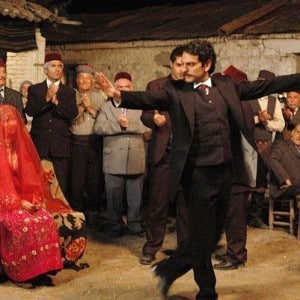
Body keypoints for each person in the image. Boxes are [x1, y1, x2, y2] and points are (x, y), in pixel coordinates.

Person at [94, 40, 300, 299]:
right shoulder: (176, 90)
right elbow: (150, 97)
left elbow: (266, 86)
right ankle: (207, 291)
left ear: (207, 65)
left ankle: (169, 269)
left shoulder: (226, 85)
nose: (184, 68)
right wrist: (118, 95)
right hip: (197, 174)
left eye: (191, 64)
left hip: (227, 171)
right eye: (183, 63)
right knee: (202, 234)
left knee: (212, 236)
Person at [0, 104, 63, 289]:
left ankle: (42, 271)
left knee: (44, 219)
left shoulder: (20, 150)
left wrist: (34, 199)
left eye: (12, 119)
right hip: (5, 203)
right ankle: (21, 274)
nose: (10, 124)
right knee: (22, 224)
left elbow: (31, 180)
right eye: (4, 121)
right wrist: (18, 203)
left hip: (22, 201)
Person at [139, 45, 189, 265]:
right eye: (179, 65)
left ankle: (185, 251)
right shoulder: (156, 86)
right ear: (171, 64)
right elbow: (145, 115)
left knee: (185, 207)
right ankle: (151, 248)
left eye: (187, 65)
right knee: (157, 205)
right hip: (163, 155)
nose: (183, 69)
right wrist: (154, 120)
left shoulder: (194, 88)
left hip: (187, 158)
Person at [94, 72, 151, 238]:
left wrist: (130, 125)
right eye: (120, 87)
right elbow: (99, 128)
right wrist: (120, 125)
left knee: (136, 196)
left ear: (132, 88)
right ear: (114, 88)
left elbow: (148, 129)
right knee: (113, 196)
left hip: (135, 156)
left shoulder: (140, 106)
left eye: (127, 87)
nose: (124, 90)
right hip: (113, 159)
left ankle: (135, 224)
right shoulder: (106, 106)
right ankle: (115, 225)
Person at [25, 52, 78, 200]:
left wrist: (57, 103)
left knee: (61, 184)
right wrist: (46, 98)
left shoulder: (68, 91)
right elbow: (29, 111)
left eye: (60, 66)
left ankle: (60, 217)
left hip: (60, 146)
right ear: (45, 70)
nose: (57, 69)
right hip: (40, 144)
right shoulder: (35, 90)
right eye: (53, 66)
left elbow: (72, 114)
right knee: (39, 183)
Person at [247, 70, 285, 229]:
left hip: (266, 146)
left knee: (261, 180)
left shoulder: (273, 101)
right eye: (260, 81)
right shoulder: (247, 98)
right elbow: (242, 121)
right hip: (249, 144)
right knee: (245, 180)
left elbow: (281, 125)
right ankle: (239, 216)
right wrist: (257, 119)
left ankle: (254, 216)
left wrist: (267, 124)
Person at [69, 64, 105, 226]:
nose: (83, 81)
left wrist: (90, 109)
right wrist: (81, 107)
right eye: (80, 78)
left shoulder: (100, 96)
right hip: (76, 143)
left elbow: (106, 120)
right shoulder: (70, 96)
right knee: (76, 182)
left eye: (87, 78)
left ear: (92, 81)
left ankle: (93, 219)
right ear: (76, 80)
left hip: (95, 143)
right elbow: (68, 119)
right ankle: (76, 219)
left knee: (95, 181)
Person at [267, 122, 300, 200]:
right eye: (298, 132)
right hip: (283, 188)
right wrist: (286, 179)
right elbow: (272, 160)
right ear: (293, 132)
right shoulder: (281, 145)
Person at [0, 59, 26, 123]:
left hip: (11, 132)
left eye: (4, 72)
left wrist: (12, 123)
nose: (2, 75)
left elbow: (23, 120)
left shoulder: (16, 95)